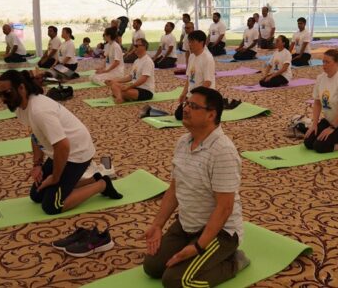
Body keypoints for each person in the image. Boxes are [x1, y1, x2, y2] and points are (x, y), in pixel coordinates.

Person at [0, 70, 122, 256]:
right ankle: (93, 177)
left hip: (76, 153)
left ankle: (102, 184)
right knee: (36, 195)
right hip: (59, 152)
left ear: (21, 88)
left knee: (51, 205)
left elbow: (63, 146)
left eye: (6, 93)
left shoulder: (39, 110)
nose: (3, 99)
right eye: (0, 94)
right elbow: (35, 135)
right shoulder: (21, 107)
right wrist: (37, 164)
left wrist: (55, 178)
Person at [143, 87, 249, 287]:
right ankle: (198, 248)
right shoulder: (183, 142)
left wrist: (199, 246)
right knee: (152, 267)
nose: (186, 109)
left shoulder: (223, 151)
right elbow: (174, 189)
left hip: (220, 232)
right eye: (186, 104)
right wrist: (157, 225)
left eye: (193, 106)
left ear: (211, 114)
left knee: (175, 281)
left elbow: (224, 208)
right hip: (187, 224)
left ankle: (234, 261)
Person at [175, 30, 215, 120]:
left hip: (203, 95)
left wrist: (195, 98)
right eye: (189, 41)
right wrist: (184, 94)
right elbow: (189, 78)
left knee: (190, 116)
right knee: (179, 114)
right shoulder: (192, 56)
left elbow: (207, 83)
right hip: (192, 95)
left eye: (192, 42)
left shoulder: (208, 58)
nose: (189, 44)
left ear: (201, 43)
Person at [107, 38, 155, 104]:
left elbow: (143, 79)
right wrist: (115, 80)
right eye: (134, 45)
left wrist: (128, 87)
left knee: (122, 91)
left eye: (136, 46)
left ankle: (119, 96)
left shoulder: (147, 61)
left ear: (144, 47)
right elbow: (131, 77)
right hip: (135, 88)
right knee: (114, 85)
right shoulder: (136, 61)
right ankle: (120, 97)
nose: (134, 47)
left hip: (146, 91)